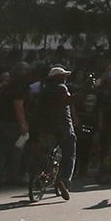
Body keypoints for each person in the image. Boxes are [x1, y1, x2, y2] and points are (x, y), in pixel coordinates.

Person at [29, 65, 75, 199]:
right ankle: (64, 180)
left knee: (45, 153)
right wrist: (86, 89)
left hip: (46, 128)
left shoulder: (44, 90)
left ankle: (40, 175)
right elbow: (69, 100)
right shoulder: (61, 88)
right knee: (69, 154)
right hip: (63, 128)